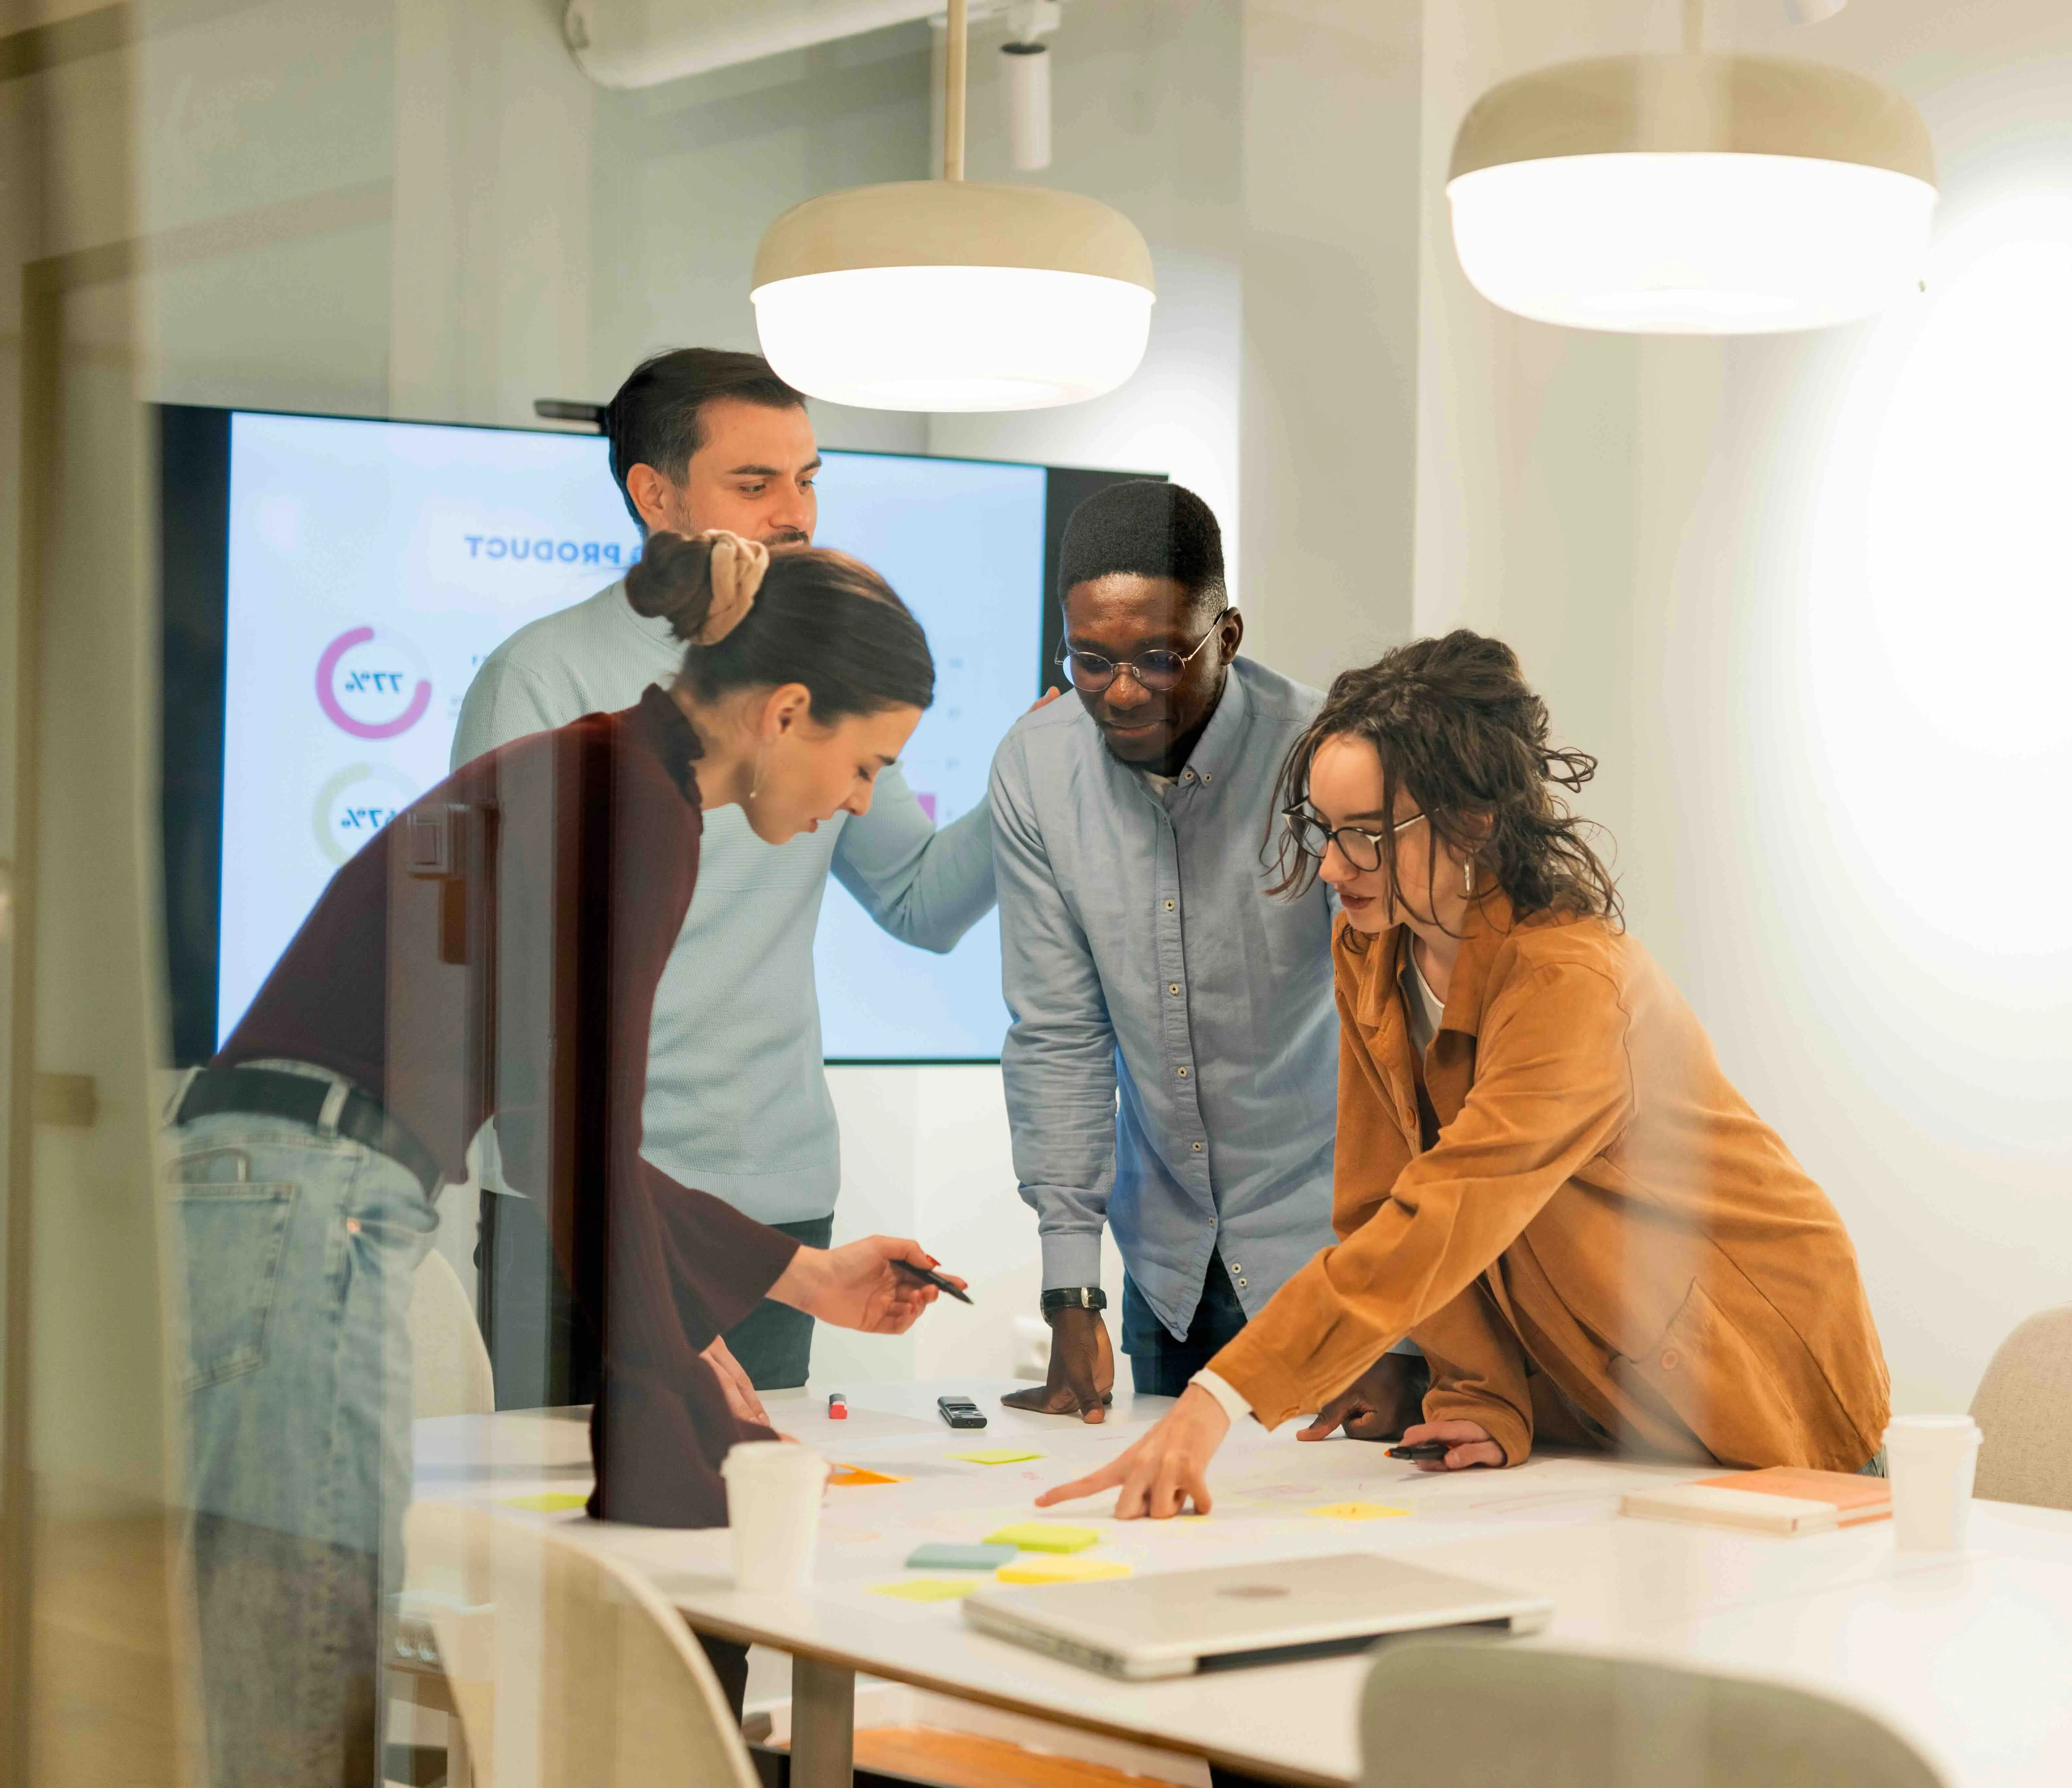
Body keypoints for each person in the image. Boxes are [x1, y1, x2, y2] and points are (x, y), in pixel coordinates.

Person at [171, 532, 966, 1783]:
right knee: (299, 1682)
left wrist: (794, 1278)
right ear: (791, 711)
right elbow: (582, 1139)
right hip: (313, 1197)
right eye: (867, 764)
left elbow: (557, 1130)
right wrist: (680, 1398)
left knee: (295, 1665)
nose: (862, 799)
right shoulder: (638, 806)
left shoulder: (604, 771)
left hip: (282, 1187)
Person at [1038, 630, 1891, 1520]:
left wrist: (1222, 1397)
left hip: (1755, 1371)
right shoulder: (1374, 943)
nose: (1333, 868)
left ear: (1473, 820)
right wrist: (1478, 1393)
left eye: (1365, 837)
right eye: (1323, 832)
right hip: (1612, 1401)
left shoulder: (1573, 984)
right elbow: (1379, 1197)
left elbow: (1445, 1211)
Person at [454, 347, 1007, 1404]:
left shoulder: (823, 672)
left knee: (749, 1515)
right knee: (566, 1525)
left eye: (808, 479)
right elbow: (513, 997)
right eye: (755, 485)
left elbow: (922, 902)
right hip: (568, 1193)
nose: (793, 515)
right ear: (654, 496)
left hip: (772, 1189)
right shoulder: (544, 681)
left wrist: (1045, 765)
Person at [992, 481, 1428, 1431]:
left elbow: (1404, 1036)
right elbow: (1061, 1035)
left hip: (1333, 1257)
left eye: (1157, 658)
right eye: (1089, 660)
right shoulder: (1034, 768)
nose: (1120, 691)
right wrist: (1074, 1294)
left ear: (1226, 636)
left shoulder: (1325, 758)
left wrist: (1400, 1329)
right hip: (1169, 1268)